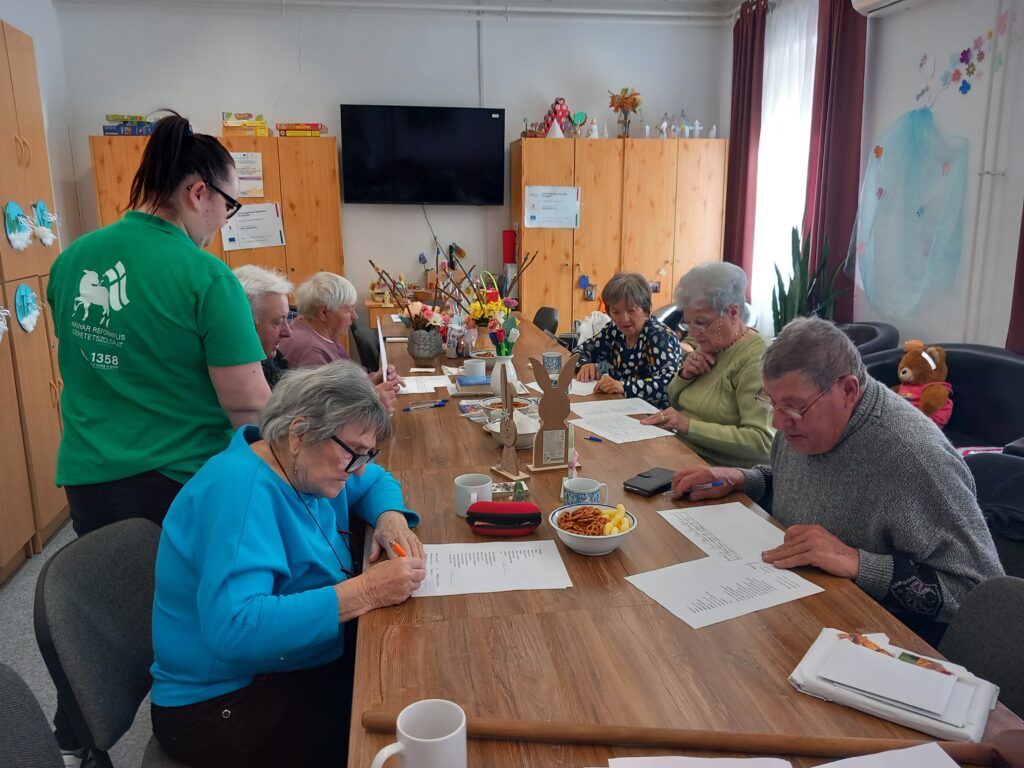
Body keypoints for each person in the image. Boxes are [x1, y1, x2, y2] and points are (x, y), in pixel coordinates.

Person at [45, 111, 270, 767]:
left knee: (110, 613)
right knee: (190, 620)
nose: (224, 220)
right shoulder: (205, 277)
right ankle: (203, 726)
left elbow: (93, 365)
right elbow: (249, 403)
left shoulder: (72, 259)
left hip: (89, 474)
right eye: (229, 205)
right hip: (175, 482)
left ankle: (78, 730)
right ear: (198, 193)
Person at [150, 362, 425, 767]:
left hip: (283, 663)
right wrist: (367, 590)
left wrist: (390, 518)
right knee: (395, 733)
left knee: (407, 681)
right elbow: (234, 628)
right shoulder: (240, 493)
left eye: (367, 454)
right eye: (353, 453)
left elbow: (376, 481)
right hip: (222, 703)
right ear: (299, 434)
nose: (359, 467)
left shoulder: (305, 466)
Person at [671, 317, 1003, 644]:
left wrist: (857, 562)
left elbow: (980, 598)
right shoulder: (804, 421)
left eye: (794, 408)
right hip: (793, 611)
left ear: (847, 390)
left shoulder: (915, 459)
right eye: (771, 403)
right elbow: (812, 487)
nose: (778, 422)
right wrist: (746, 479)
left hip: (877, 641)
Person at [639, 263, 773, 468]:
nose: (693, 333)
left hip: (716, 471)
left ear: (733, 312)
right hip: (679, 452)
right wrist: (685, 376)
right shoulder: (712, 344)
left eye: (701, 322)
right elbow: (675, 401)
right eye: (688, 323)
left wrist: (687, 425)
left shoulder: (757, 361)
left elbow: (763, 443)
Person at [575, 272, 682, 409]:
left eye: (631, 310)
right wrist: (585, 366)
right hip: (620, 406)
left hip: (654, 413)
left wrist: (624, 387)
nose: (624, 319)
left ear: (646, 310)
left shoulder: (659, 336)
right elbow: (579, 351)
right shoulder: (614, 330)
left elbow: (669, 384)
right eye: (616, 312)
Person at [279, 271, 402, 390]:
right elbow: (327, 402)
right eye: (349, 309)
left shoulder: (316, 331)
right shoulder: (311, 353)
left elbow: (342, 386)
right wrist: (376, 396)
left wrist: (372, 379)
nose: (355, 316)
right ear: (324, 313)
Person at [232, 264, 294, 388]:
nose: (288, 332)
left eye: (286, 320)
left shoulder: (275, 360)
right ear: (245, 323)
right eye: (277, 322)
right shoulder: (235, 382)